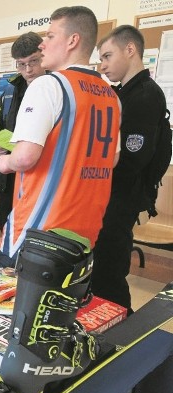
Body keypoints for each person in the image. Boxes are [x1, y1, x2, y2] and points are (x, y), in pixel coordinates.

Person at [0, 6, 121, 268]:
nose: (42, 44)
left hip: (40, 229)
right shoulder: (111, 96)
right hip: (85, 230)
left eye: (50, 36)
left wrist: (6, 163)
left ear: (72, 41)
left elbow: (26, 156)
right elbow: (112, 160)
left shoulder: (49, 85)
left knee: (12, 305)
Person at [90, 25, 167, 311]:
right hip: (109, 195)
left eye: (108, 56)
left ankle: (120, 334)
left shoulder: (145, 95)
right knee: (99, 272)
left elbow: (133, 158)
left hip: (120, 197)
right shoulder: (123, 93)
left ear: (130, 50)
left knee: (109, 275)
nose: (103, 65)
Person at [0, 32, 45, 231]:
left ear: (44, 56)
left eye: (34, 61)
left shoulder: (55, 89)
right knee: (8, 229)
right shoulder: (10, 91)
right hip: (7, 177)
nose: (28, 70)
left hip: (39, 177)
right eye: (21, 64)